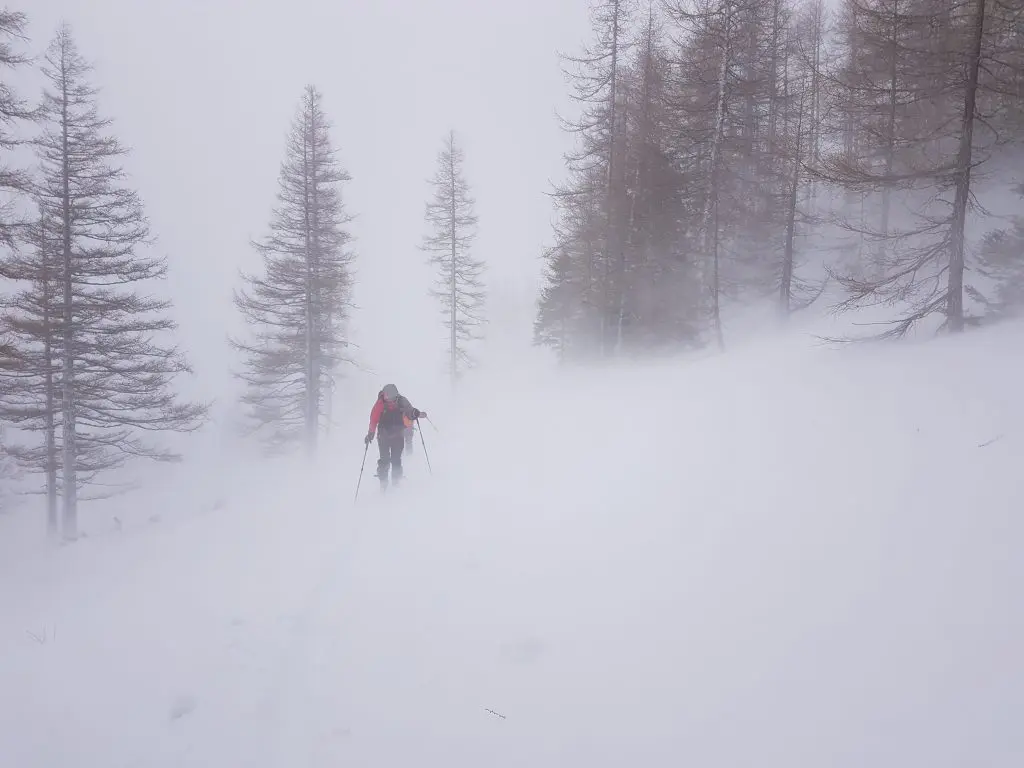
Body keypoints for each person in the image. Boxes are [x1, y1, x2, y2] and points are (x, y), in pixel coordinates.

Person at [365, 384, 426, 489]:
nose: (387, 398)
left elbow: (409, 411)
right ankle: (383, 484)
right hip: (383, 436)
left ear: (395, 395)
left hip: (398, 435)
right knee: (384, 460)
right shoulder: (380, 403)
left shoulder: (402, 401)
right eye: (386, 395)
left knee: (396, 459)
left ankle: (396, 482)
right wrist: (371, 433)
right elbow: (374, 419)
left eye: (389, 396)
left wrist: (415, 413)